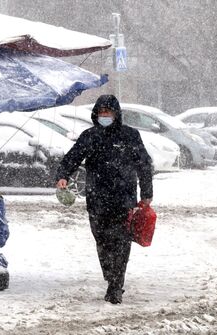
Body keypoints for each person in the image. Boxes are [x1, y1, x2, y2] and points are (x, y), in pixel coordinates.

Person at [55, 95, 153, 304]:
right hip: (97, 199)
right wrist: (63, 176)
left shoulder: (130, 136)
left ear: (116, 114)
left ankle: (116, 285)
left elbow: (144, 164)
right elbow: (72, 157)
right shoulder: (90, 136)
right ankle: (110, 276)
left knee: (121, 241)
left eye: (108, 112)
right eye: (101, 112)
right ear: (96, 114)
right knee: (102, 240)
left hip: (123, 199)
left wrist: (146, 194)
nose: (104, 116)